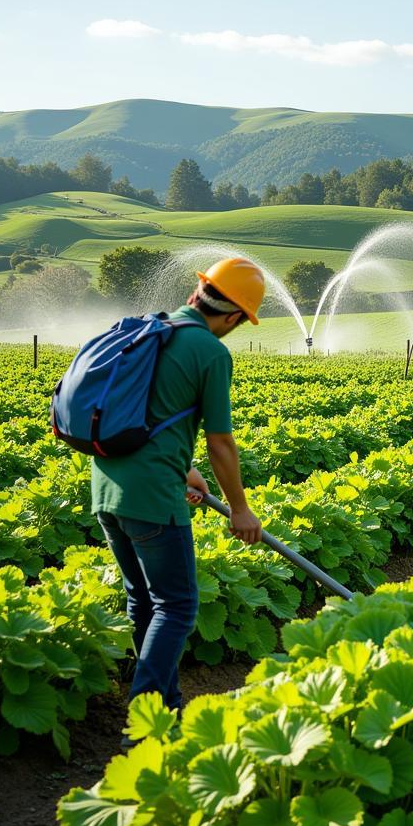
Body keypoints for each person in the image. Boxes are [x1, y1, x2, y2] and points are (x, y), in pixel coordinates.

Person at [92, 257, 266, 725]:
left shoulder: (150, 330)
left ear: (198, 292)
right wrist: (240, 510)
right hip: (151, 497)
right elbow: (221, 443)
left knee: (144, 600)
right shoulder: (209, 351)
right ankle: (143, 721)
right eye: (242, 322)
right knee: (178, 605)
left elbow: (144, 413)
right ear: (233, 316)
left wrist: (182, 468)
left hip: (107, 486)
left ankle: (162, 706)